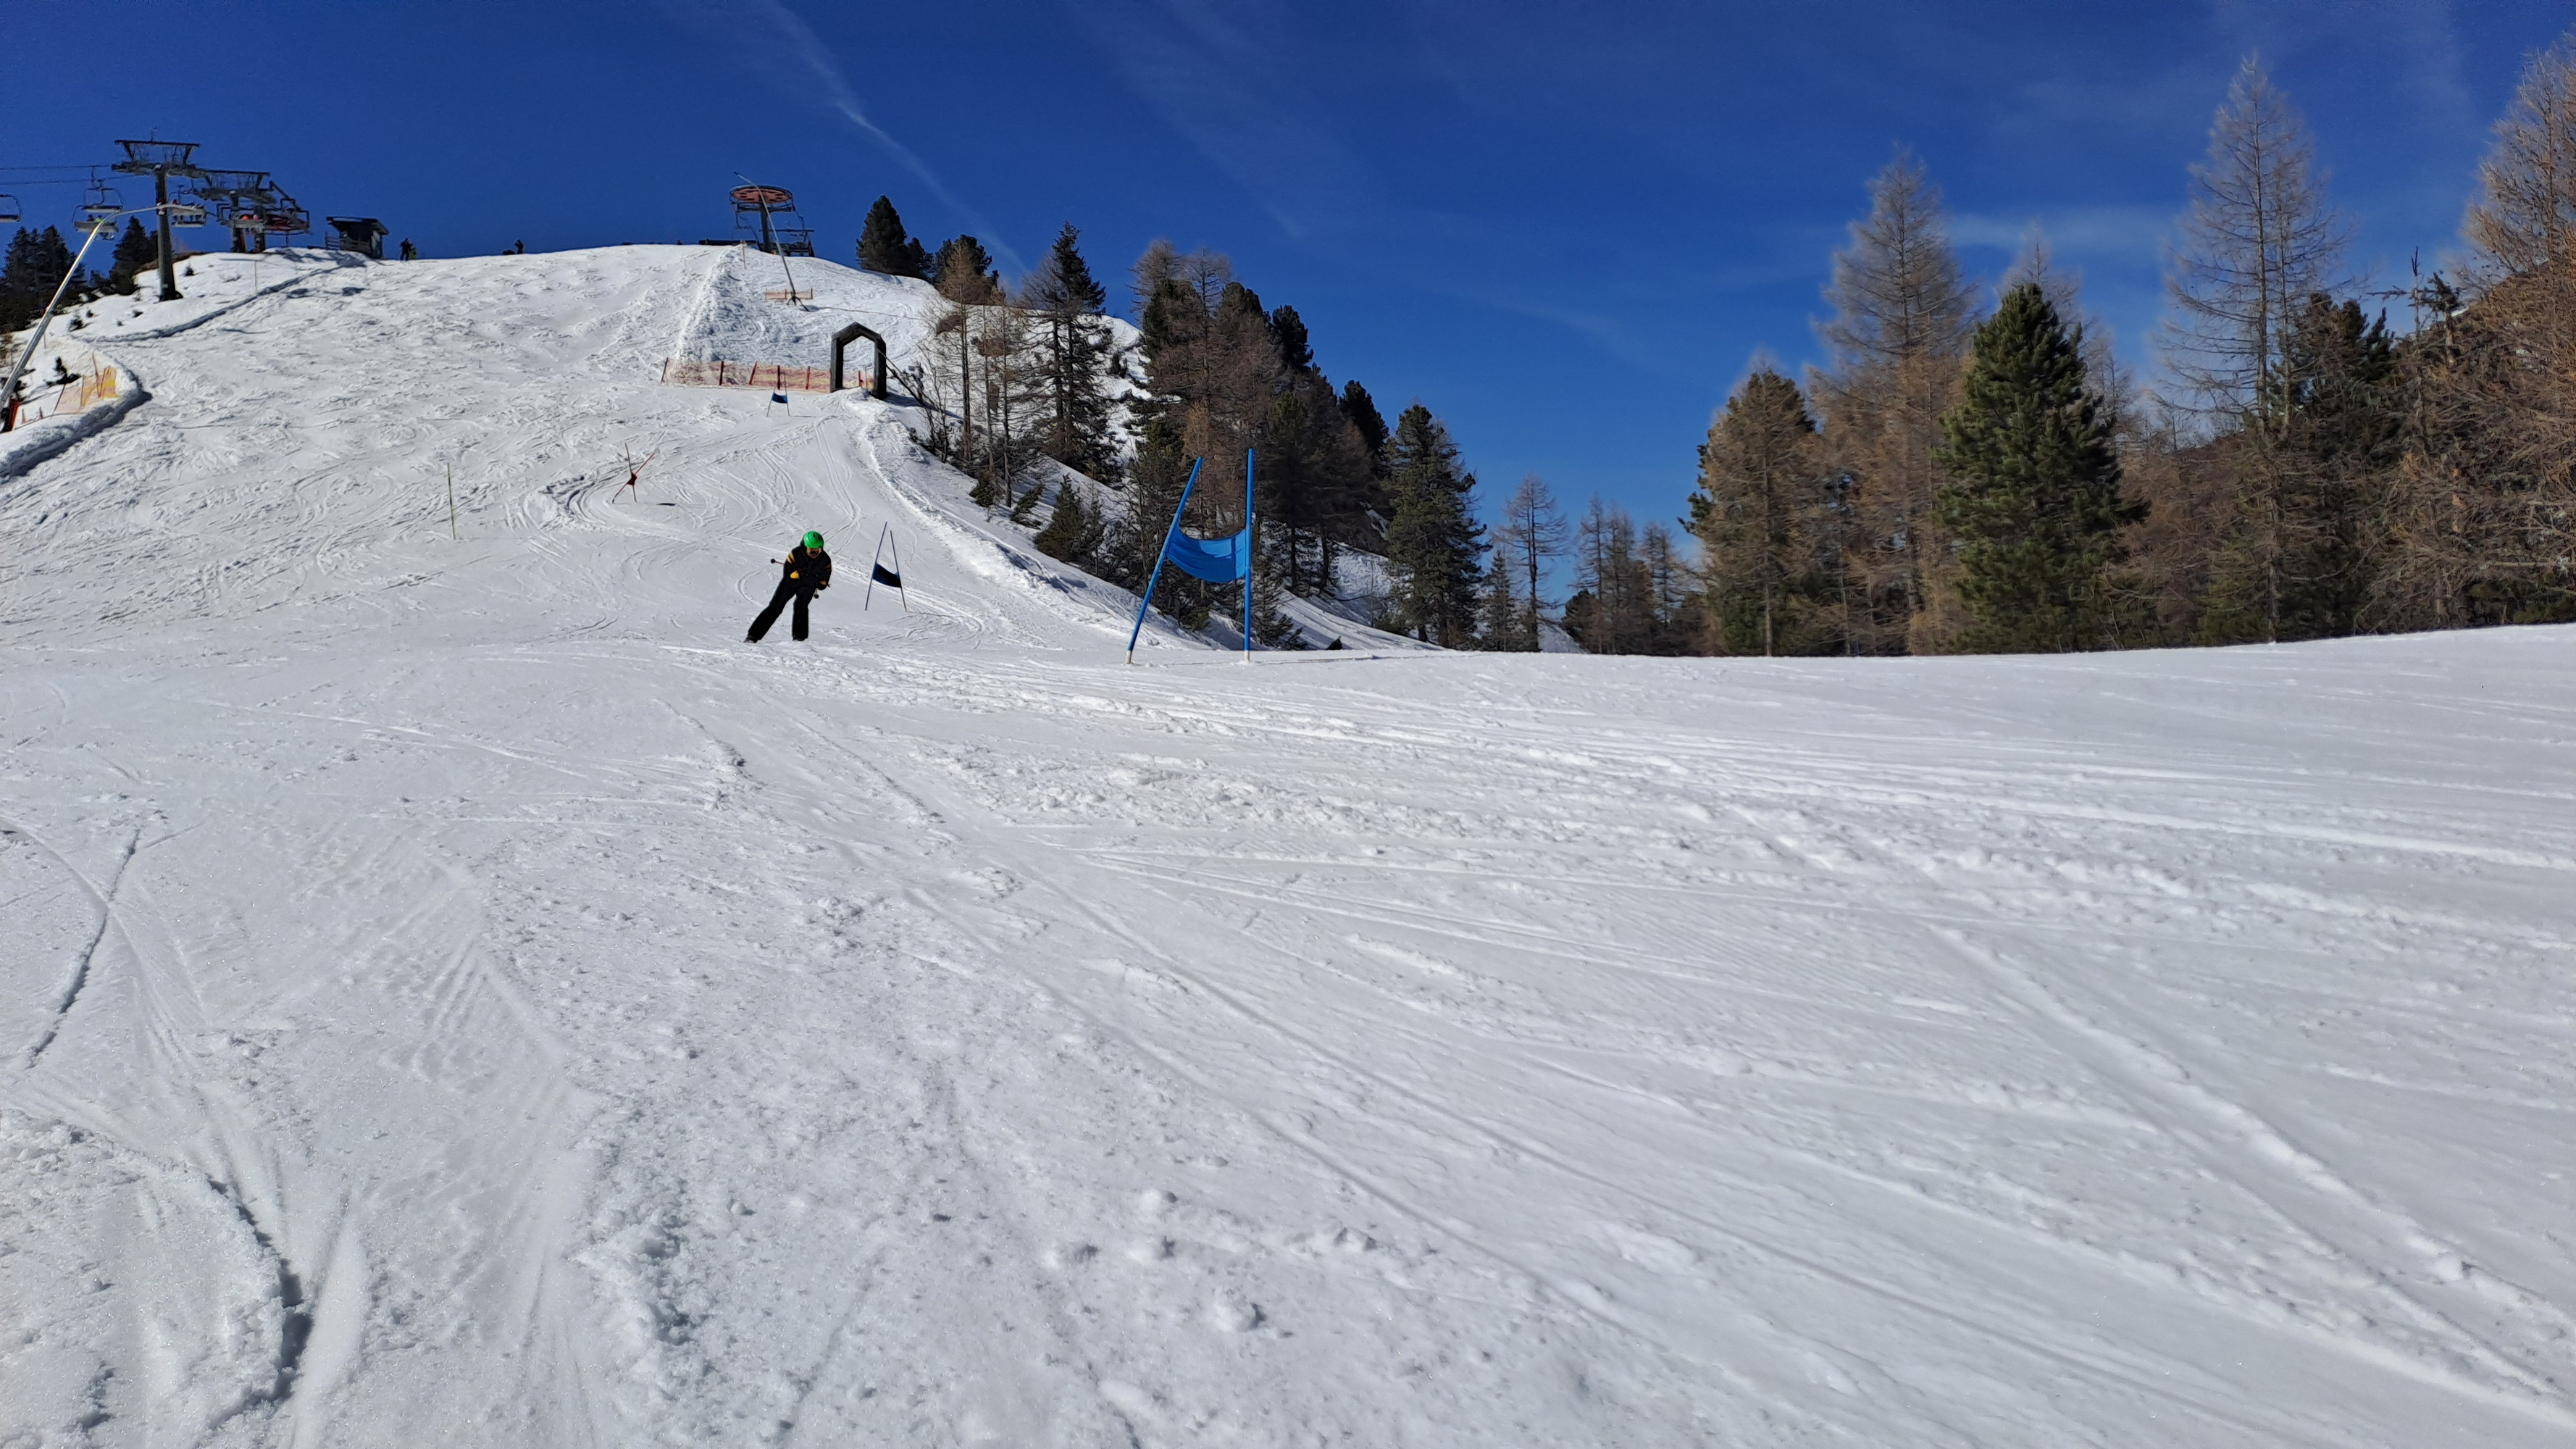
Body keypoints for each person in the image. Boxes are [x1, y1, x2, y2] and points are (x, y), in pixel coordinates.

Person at [748, 531, 832, 642]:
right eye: (811, 550)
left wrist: (821, 582)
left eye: (817, 550)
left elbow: (825, 580)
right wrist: (796, 575)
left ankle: (799, 638)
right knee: (776, 607)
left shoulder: (825, 560)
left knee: (801, 606)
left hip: (808, 586)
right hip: (790, 584)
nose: (814, 553)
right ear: (805, 548)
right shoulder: (796, 554)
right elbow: (787, 573)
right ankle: (753, 636)